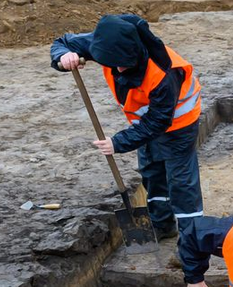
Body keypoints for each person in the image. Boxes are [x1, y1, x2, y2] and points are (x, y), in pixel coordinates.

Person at [51, 13, 204, 240]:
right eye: (114, 65)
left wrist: (118, 143)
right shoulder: (104, 43)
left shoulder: (164, 72)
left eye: (123, 65)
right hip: (144, 124)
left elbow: (158, 121)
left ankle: (193, 241)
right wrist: (64, 57)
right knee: (152, 174)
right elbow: (61, 43)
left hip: (180, 126)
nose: (118, 70)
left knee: (181, 183)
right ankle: (162, 226)